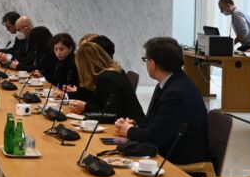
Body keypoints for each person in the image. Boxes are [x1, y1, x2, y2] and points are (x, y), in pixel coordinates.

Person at [114, 37, 210, 165]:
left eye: (145, 60)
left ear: (152, 64)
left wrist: (129, 131)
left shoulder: (176, 93)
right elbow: (159, 126)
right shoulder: (171, 83)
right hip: (166, 152)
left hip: (178, 164)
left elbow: (154, 138)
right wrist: (134, 126)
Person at [68, 42, 145, 124]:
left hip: (130, 125)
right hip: (131, 122)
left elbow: (111, 113)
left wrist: (85, 107)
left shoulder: (106, 78)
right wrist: (84, 106)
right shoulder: (115, 71)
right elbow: (100, 103)